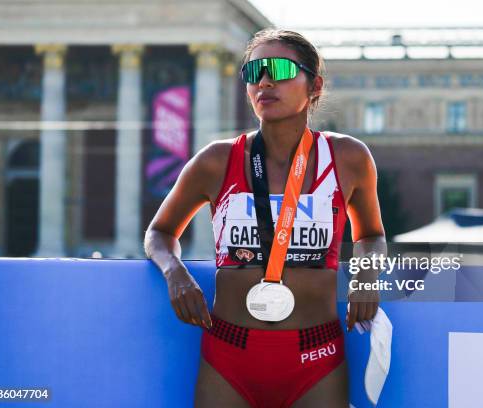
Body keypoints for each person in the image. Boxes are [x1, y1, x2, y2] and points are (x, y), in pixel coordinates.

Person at [144, 28, 386, 408]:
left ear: (314, 85)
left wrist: (366, 275)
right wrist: (175, 273)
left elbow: (371, 234)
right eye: (253, 71)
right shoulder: (216, 159)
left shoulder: (349, 157)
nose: (265, 81)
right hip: (229, 357)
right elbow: (159, 232)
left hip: (316, 358)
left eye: (279, 69)